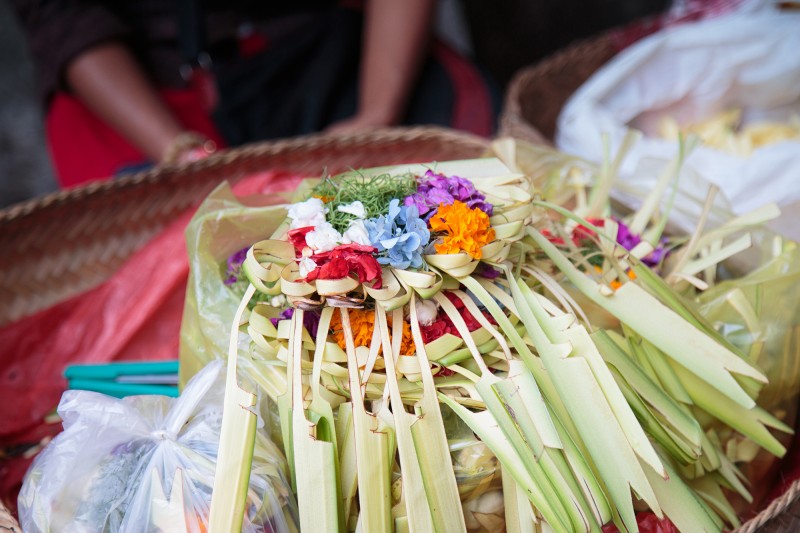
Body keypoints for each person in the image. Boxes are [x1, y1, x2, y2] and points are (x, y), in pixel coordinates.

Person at [11, 0, 497, 188]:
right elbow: (62, 18)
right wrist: (177, 150)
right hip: (145, 96)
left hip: (325, 55)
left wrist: (375, 113)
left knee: (464, 182)